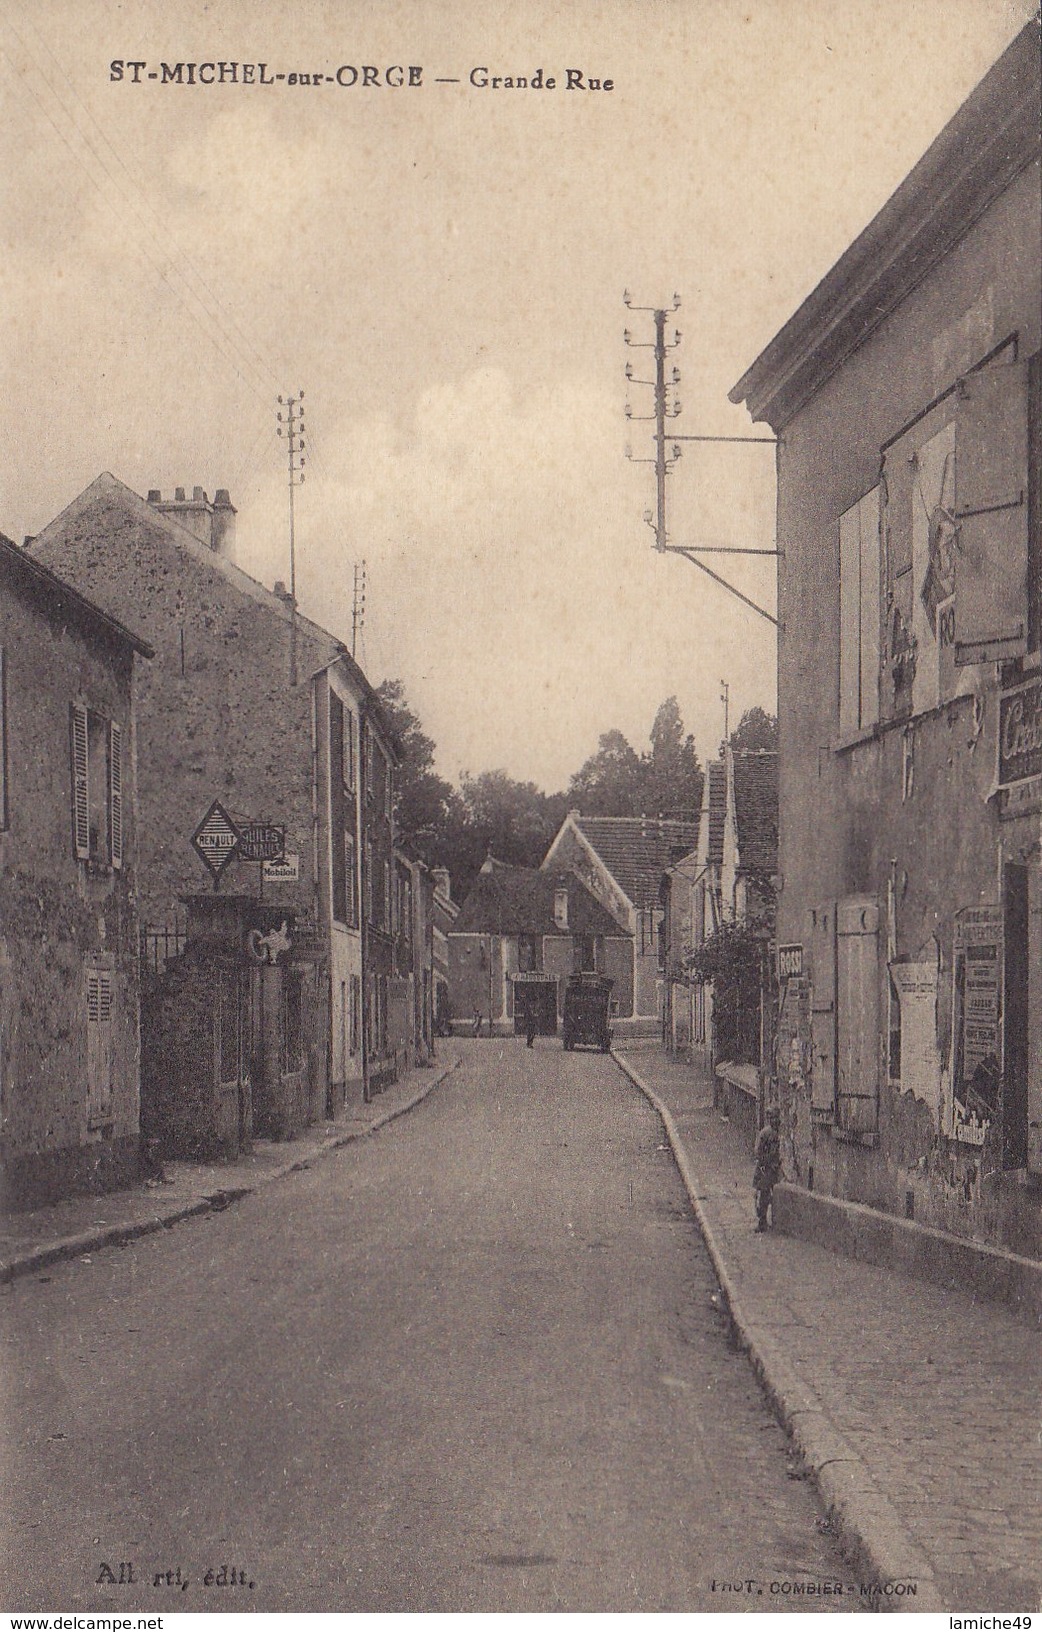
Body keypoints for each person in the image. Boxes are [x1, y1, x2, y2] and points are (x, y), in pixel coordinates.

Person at [753, 1107, 782, 1233]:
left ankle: (774, 1221)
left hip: (774, 1168)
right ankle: (762, 1222)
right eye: (772, 1118)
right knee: (763, 1195)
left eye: (776, 1118)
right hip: (765, 1169)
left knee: (774, 1195)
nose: (775, 1120)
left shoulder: (778, 1133)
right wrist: (766, 1163)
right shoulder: (765, 1133)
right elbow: (758, 1152)